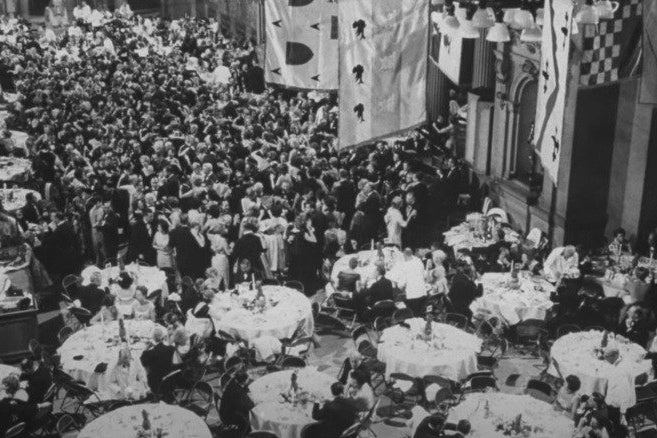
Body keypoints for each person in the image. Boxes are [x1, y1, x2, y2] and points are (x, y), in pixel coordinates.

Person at [140, 327, 175, 394]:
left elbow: (142, 361)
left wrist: (146, 349)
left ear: (153, 339)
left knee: (145, 369)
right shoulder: (171, 349)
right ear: (163, 338)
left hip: (157, 383)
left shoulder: (151, 353)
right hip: (171, 380)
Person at [219, 370, 254, 436]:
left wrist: (246, 388)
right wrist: (253, 402)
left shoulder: (233, 383)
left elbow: (243, 390)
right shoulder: (238, 392)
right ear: (243, 381)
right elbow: (248, 406)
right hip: (227, 415)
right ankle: (243, 434)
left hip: (225, 409)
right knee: (247, 418)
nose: (249, 381)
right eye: (247, 380)